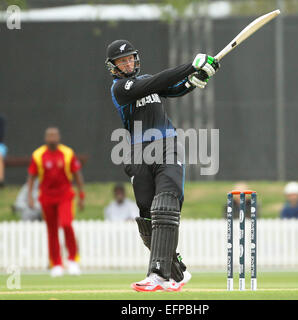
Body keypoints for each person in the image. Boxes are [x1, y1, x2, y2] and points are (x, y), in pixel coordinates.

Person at [106, 39, 219, 292]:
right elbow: (157, 82)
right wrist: (192, 65)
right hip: (138, 153)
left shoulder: (146, 81)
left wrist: (196, 78)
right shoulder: (120, 89)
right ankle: (176, 272)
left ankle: (157, 274)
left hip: (167, 145)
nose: (127, 63)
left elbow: (174, 88)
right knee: (147, 217)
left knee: (165, 204)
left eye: (130, 58)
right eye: (121, 61)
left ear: (136, 58)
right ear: (113, 67)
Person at [27, 127, 85, 277]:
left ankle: (73, 260)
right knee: (52, 230)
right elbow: (32, 177)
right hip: (46, 197)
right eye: (49, 135)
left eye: (54, 135)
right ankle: (56, 263)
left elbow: (77, 174)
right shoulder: (38, 155)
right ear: (45, 138)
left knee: (66, 224)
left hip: (65, 195)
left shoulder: (67, 153)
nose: (52, 138)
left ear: (59, 137)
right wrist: (30, 196)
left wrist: (82, 195)